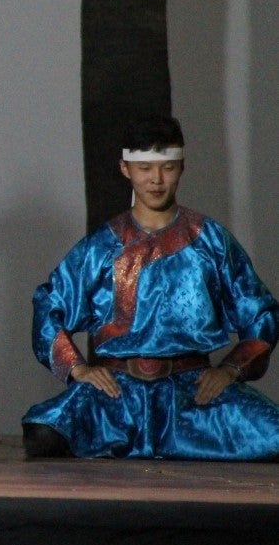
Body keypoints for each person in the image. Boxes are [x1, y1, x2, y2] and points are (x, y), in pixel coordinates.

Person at [22, 114, 279, 460]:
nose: (156, 180)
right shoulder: (102, 246)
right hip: (117, 394)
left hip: (193, 392)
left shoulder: (210, 240)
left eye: (167, 168)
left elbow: (261, 313)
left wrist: (230, 369)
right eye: (144, 169)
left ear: (181, 167)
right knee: (44, 434)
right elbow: (49, 303)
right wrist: (77, 368)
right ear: (125, 169)